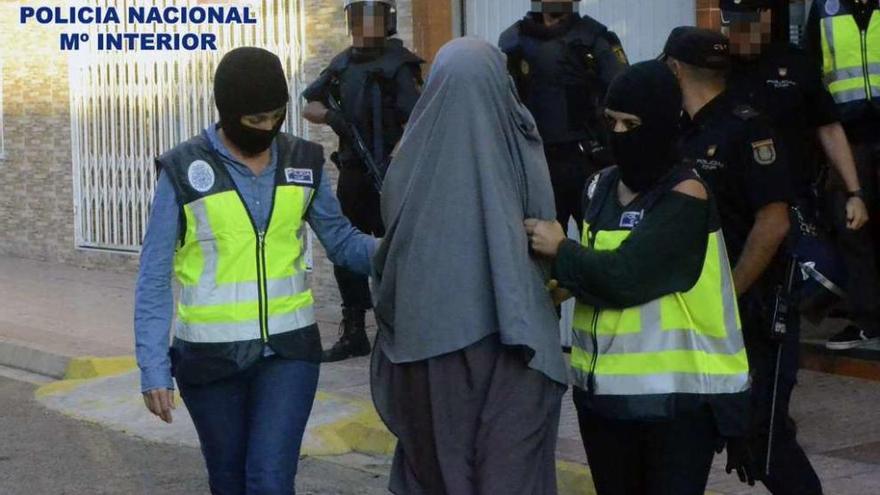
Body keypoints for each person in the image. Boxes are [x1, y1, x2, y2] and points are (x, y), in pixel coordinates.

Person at [134, 47, 378, 495]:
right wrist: (153, 367)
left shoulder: (303, 161)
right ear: (227, 114)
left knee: (269, 480)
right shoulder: (184, 170)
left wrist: (405, 252)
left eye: (276, 117)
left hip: (289, 354)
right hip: (209, 360)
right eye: (254, 121)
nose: (267, 129)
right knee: (229, 481)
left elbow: (343, 243)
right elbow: (153, 275)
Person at [525, 60, 751, 495]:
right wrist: (558, 284)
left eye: (632, 123)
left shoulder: (687, 194)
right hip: (603, 399)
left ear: (664, 126)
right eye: (611, 121)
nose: (619, 134)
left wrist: (562, 249)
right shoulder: (602, 186)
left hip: (675, 407)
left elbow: (627, 276)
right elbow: (596, 269)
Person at [370, 37, 567, 495]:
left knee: (442, 469)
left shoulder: (411, 156)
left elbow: (390, 252)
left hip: (428, 347)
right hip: (514, 340)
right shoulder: (517, 138)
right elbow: (543, 225)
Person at [665, 27, 823, 494]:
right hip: (694, 313)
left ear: (674, 68)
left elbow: (772, 225)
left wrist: (728, 295)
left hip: (752, 310)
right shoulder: (679, 131)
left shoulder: (748, 127)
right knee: (690, 433)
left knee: (763, 439)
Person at [301, 0, 423, 363]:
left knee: (397, 249)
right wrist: (332, 118)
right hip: (354, 173)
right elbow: (310, 104)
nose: (361, 27)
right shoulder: (342, 63)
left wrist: (397, 159)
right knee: (345, 252)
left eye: (369, 20)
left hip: (390, 172)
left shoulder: (400, 65)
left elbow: (418, 118)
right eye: (356, 19)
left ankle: (404, 328)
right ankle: (354, 329)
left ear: (386, 22)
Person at [499, 0, 627, 231]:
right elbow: (503, 105)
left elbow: (626, 95)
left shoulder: (595, 39)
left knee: (597, 241)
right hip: (536, 163)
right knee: (539, 250)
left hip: (589, 161)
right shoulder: (513, 42)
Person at [805, 0, 880, 350]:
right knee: (853, 228)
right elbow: (811, 65)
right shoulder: (824, 7)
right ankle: (866, 318)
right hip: (845, 135)